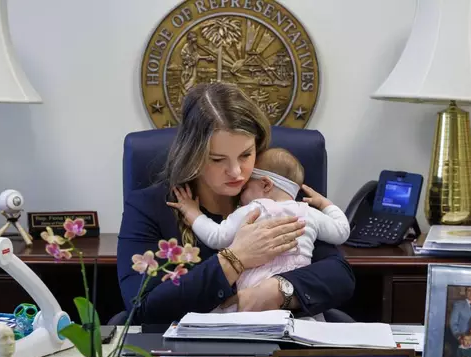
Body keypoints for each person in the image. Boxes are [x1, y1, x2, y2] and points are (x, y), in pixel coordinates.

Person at [116, 81, 355, 325]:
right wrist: (235, 258)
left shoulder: (275, 193)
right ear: (192, 154)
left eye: (246, 155)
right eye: (218, 159)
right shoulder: (149, 207)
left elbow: (339, 275)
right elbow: (142, 308)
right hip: (192, 352)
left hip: (280, 347)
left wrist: (278, 291)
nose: (236, 172)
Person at [167, 147, 350, 315]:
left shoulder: (254, 210)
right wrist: (325, 204)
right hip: (294, 305)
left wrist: (192, 213)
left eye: (245, 188)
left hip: (249, 302)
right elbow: (342, 232)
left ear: (265, 185)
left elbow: (216, 236)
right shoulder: (310, 214)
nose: (240, 195)